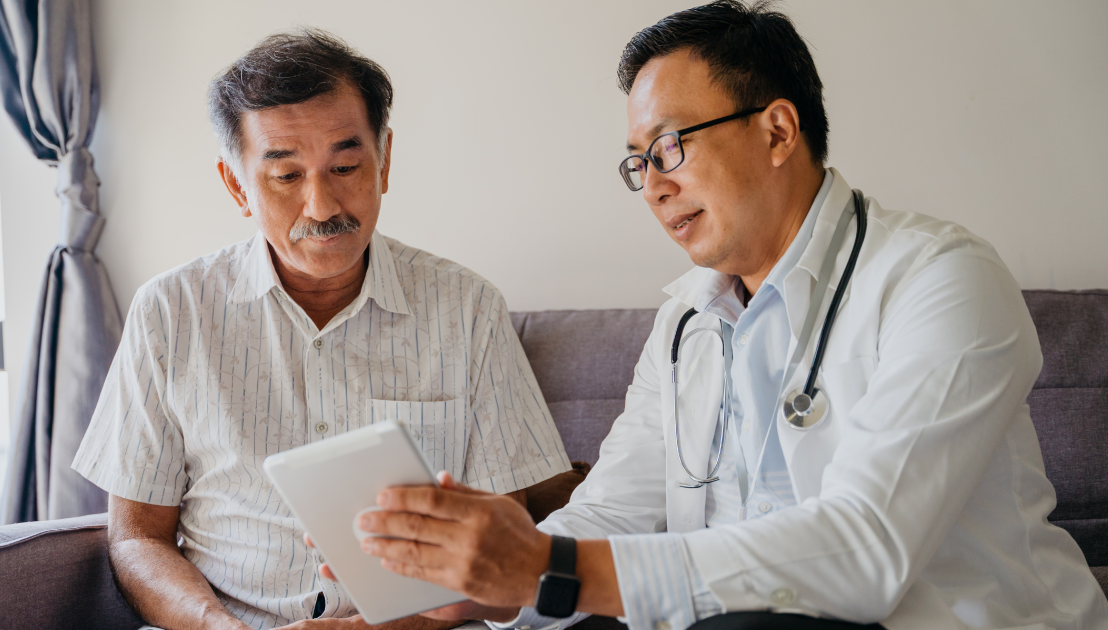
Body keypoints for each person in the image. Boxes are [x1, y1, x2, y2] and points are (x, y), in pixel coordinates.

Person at [346, 3, 1108, 629]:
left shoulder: (939, 277)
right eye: (639, 162)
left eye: (669, 147)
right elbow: (614, 510)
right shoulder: (686, 320)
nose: (654, 187)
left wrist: (548, 566)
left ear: (777, 131)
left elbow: (866, 548)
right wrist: (477, 589)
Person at [71, 29, 572, 630]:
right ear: (237, 185)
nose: (323, 206)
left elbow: (500, 544)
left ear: (384, 161)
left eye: (345, 166)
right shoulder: (170, 312)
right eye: (286, 176)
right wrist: (216, 626)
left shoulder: (468, 308)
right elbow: (137, 538)